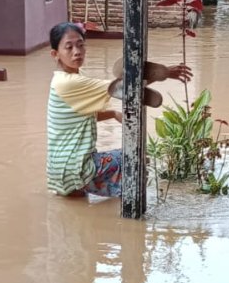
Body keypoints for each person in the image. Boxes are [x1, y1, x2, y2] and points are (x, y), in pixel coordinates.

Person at [47, 22, 192, 198]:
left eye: (80, 44)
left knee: (75, 213)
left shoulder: (68, 77)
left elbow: (81, 113)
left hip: (60, 167)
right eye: (68, 47)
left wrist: (114, 114)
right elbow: (122, 88)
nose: (76, 51)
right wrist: (164, 73)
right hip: (74, 167)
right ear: (55, 54)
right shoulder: (69, 83)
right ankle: (130, 207)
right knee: (134, 155)